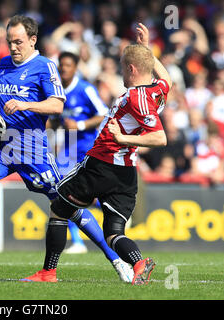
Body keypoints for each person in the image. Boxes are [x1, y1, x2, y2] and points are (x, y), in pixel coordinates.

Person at [0, 15, 133, 283]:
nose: (13, 47)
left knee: (68, 207)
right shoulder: (4, 64)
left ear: (33, 40)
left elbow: (57, 105)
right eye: (9, 42)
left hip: (32, 151)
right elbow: (2, 110)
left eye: (18, 42)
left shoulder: (45, 66)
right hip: (0, 147)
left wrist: (25, 105)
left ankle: (116, 260)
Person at [27, 23, 172, 285]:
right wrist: (147, 49)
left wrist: (122, 137)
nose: (120, 72)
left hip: (102, 163)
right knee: (114, 232)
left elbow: (160, 137)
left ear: (131, 69)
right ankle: (139, 263)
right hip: (127, 172)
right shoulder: (156, 91)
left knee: (59, 209)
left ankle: (48, 273)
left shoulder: (136, 97)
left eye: (122, 67)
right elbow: (167, 80)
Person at [50, 51, 108, 254]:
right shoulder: (57, 92)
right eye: (61, 65)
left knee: (82, 193)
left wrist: (80, 124)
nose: (64, 69)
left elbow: (104, 113)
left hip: (87, 148)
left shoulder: (85, 89)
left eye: (68, 65)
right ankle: (77, 241)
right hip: (67, 150)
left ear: (75, 68)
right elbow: (57, 119)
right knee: (64, 193)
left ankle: (109, 209)